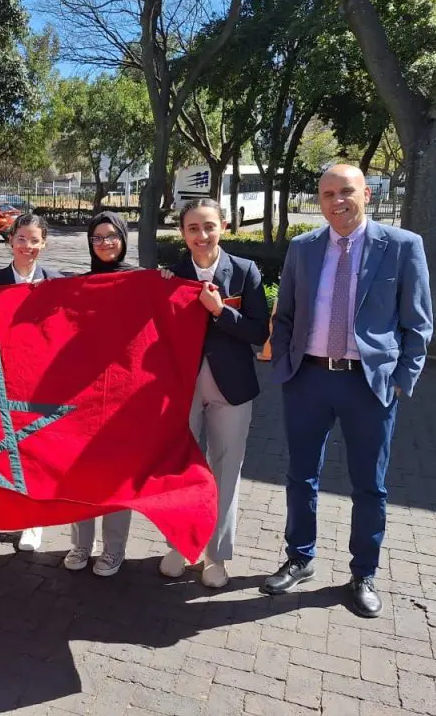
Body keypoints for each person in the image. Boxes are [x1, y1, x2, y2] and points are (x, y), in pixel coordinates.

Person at [263, 164, 433, 618]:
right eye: (327, 194)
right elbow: (286, 315)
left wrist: (402, 381)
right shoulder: (302, 248)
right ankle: (299, 557)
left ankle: (364, 573)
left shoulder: (402, 246)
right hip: (308, 379)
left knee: (370, 486)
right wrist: (284, 364)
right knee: (301, 475)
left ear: (367, 195)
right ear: (319, 201)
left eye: (346, 192)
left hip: (369, 384)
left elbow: (418, 323)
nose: (337, 201)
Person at [157, 199, 270, 588]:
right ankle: (179, 544)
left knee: (225, 470)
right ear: (182, 233)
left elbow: (259, 332)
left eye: (208, 226)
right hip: (182, 387)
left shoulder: (244, 271)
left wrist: (222, 312)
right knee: (180, 469)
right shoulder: (170, 275)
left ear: (222, 225)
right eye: (192, 229)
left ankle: (216, 555)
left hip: (232, 387)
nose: (201, 236)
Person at [0, 212, 63, 552]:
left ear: (44, 243)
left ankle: (32, 521)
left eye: (34, 240)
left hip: (39, 379)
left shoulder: (57, 281)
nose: (27, 246)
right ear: (10, 241)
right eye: (21, 239)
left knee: (32, 450)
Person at [63, 211, 135, 576]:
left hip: (124, 396)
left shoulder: (140, 283)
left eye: (112, 236)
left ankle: (114, 549)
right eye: (97, 237)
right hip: (83, 395)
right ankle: (80, 543)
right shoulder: (79, 286)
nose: (105, 243)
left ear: (123, 238)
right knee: (79, 472)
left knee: (117, 473)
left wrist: (171, 281)